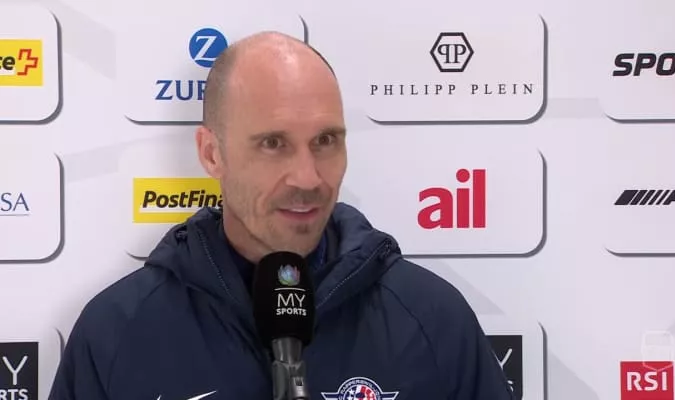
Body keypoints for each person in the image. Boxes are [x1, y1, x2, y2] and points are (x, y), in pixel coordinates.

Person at [49, 31, 515, 400]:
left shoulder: (433, 319)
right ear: (211, 154)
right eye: (273, 144)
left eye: (325, 141)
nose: (308, 177)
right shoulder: (116, 332)